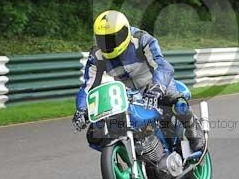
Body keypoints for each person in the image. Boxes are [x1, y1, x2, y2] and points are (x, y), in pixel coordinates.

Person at [71, 10, 205, 153]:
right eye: (103, 39)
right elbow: (88, 87)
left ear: (124, 32)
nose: (108, 44)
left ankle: (193, 130)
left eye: (112, 39)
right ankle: (133, 152)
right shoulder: (96, 55)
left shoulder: (142, 40)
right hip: (127, 94)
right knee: (96, 134)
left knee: (177, 104)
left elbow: (162, 66)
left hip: (155, 83)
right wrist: (81, 110)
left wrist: (158, 86)